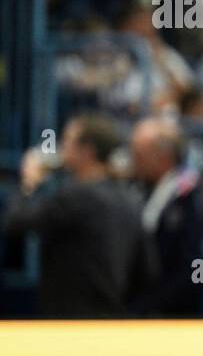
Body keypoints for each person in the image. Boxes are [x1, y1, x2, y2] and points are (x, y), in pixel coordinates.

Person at [3, 115, 154, 317]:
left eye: (68, 141)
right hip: (112, 319)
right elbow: (148, 270)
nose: (62, 148)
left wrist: (28, 184)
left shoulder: (76, 196)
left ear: (87, 150)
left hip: (70, 322)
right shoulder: (129, 200)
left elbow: (16, 222)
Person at [129, 116, 203, 317]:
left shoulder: (187, 194)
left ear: (163, 157)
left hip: (176, 313)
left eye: (140, 156)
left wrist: (194, 293)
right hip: (146, 306)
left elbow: (200, 262)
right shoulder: (140, 190)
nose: (134, 163)